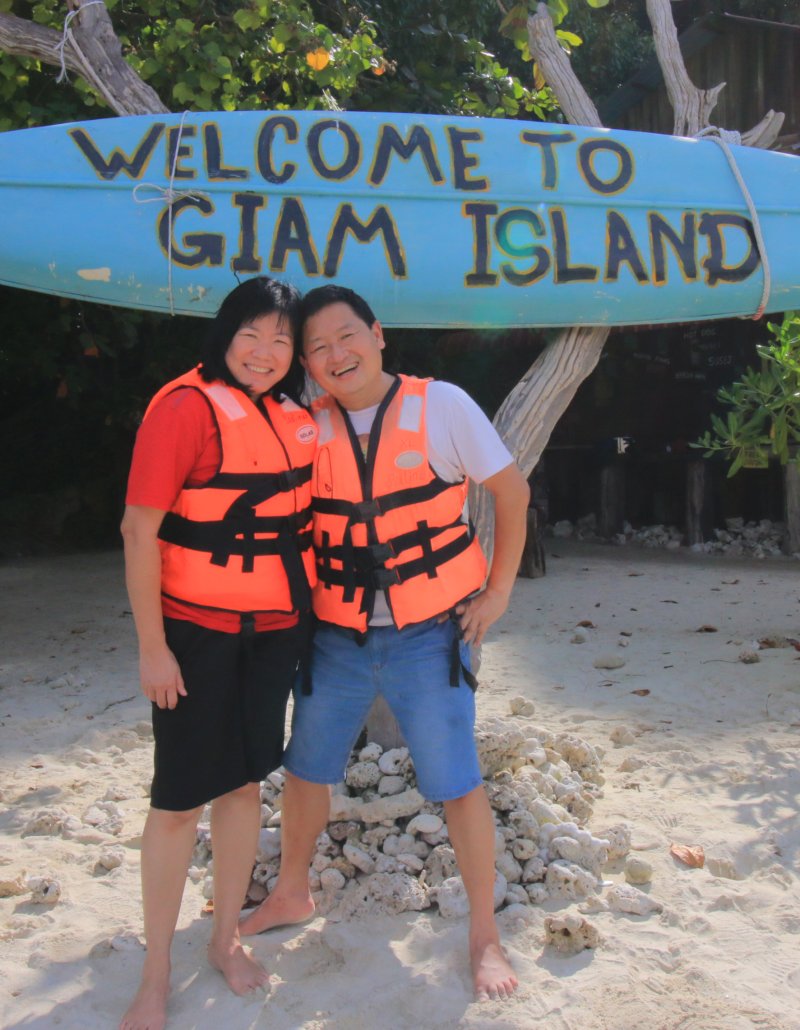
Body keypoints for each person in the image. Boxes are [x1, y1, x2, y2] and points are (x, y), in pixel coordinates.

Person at [239, 284, 530, 1001]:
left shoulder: (445, 407)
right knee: (306, 770)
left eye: (347, 337)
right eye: (318, 348)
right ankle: (291, 892)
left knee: (457, 783)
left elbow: (511, 491)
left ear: (378, 334)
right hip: (336, 636)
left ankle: (483, 938)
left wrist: (498, 590)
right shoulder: (305, 423)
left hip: (429, 634)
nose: (336, 355)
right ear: (305, 362)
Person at [119, 276, 317, 1030]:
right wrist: (152, 648)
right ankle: (154, 972)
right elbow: (141, 532)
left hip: (272, 637)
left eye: (281, 341)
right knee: (176, 805)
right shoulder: (185, 409)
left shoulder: (293, 418)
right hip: (194, 638)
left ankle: (224, 937)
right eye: (252, 335)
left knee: (243, 789)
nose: (266, 353)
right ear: (225, 334)